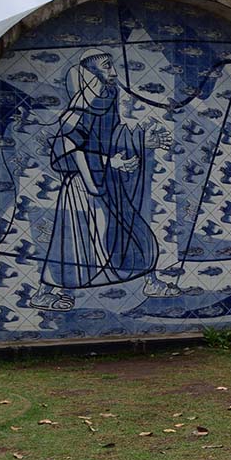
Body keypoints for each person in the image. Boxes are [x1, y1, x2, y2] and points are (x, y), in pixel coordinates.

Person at [32, 48, 175, 311]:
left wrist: (142, 140)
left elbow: (111, 137)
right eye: (107, 67)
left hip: (106, 182)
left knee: (132, 230)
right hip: (82, 186)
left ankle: (150, 281)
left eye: (112, 66)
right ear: (91, 74)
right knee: (74, 243)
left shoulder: (106, 101)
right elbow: (64, 148)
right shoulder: (80, 107)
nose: (114, 72)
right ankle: (45, 292)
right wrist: (110, 162)